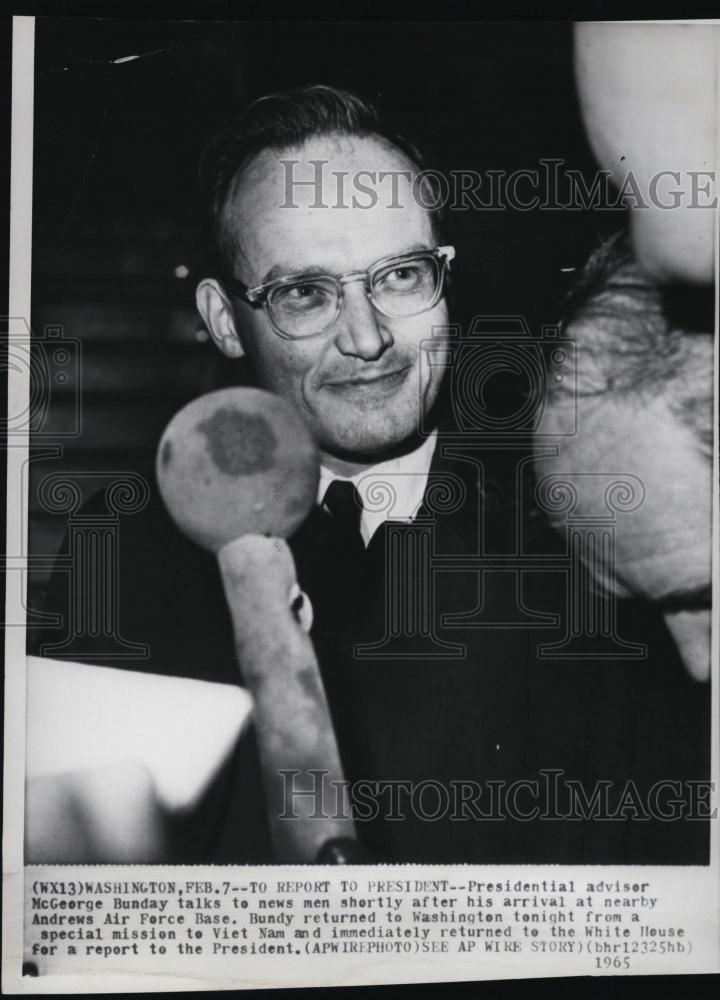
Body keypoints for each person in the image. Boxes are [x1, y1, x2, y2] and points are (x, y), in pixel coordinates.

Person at [32, 85, 710, 865]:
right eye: (304, 293)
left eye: (399, 277)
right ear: (224, 318)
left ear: (445, 277)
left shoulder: (591, 529)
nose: (367, 338)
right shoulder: (119, 556)